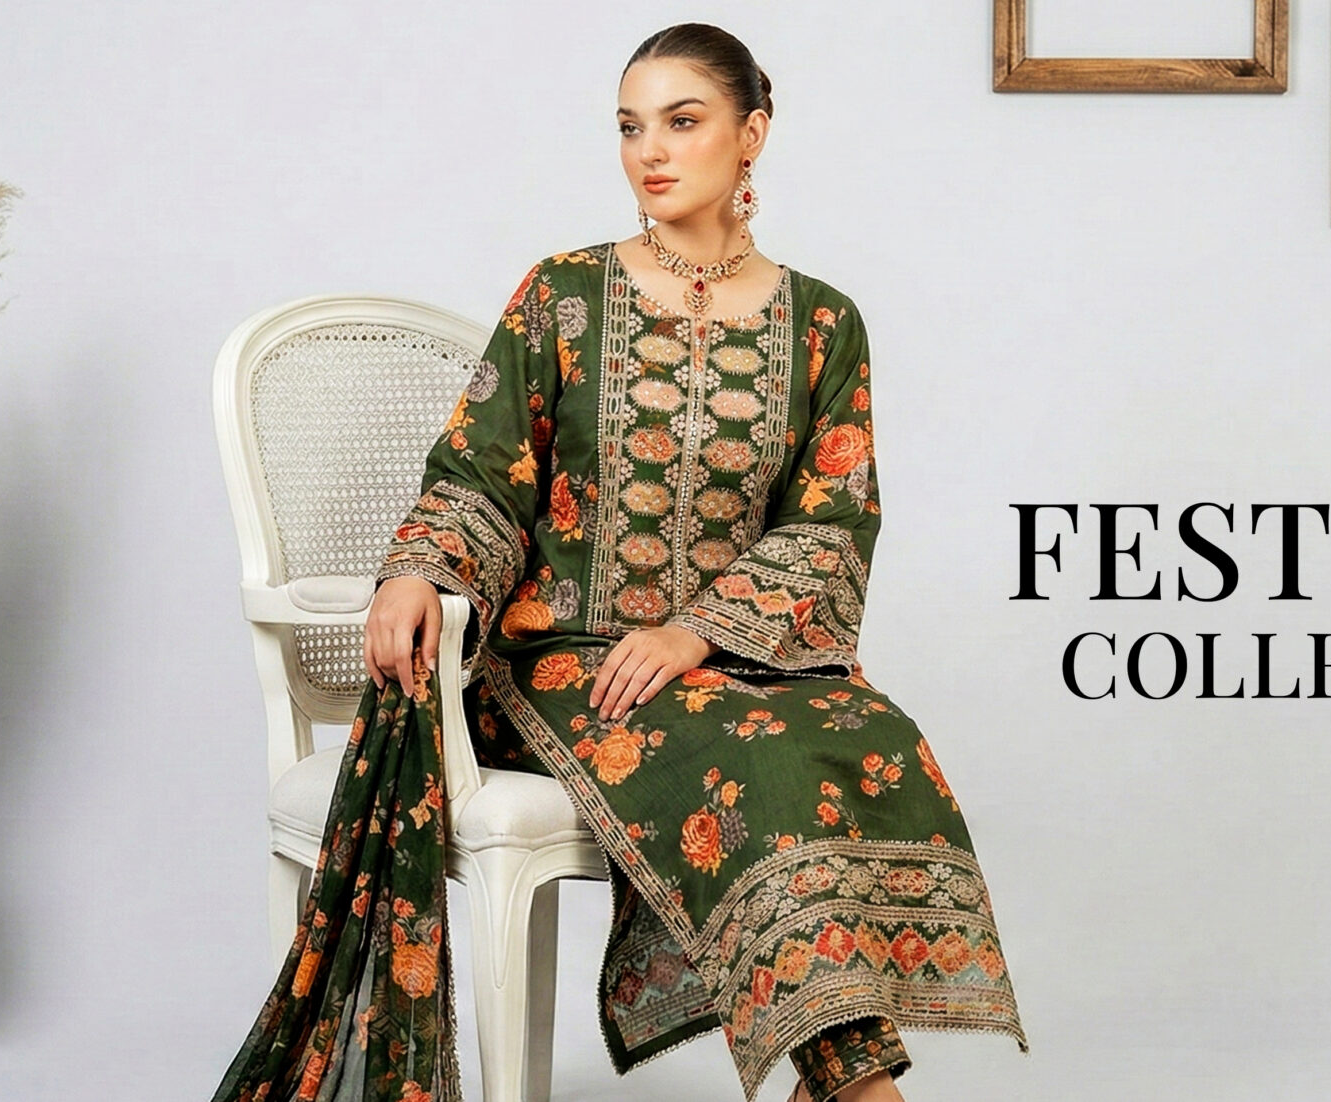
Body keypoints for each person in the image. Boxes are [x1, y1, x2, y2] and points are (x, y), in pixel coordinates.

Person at [211, 23, 1025, 1102]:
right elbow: (483, 470)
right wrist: (418, 566)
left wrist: (696, 632)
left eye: (682, 121)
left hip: (735, 658)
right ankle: (859, 1088)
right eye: (631, 127)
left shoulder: (825, 323)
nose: (651, 150)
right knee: (752, 757)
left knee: (866, 731)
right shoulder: (563, 295)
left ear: (753, 134)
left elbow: (832, 520)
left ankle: (840, 1080)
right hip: (557, 661)